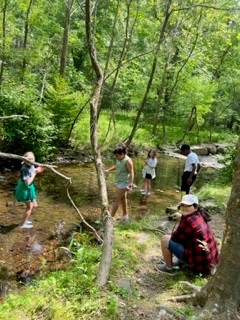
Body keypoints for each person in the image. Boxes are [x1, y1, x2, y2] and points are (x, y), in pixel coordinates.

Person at [156, 194, 219, 275]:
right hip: (209, 262)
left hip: (198, 266)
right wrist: (182, 216)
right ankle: (180, 262)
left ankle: (168, 268)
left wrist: (181, 220)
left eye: (188, 206)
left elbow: (175, 238)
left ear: (195, 207)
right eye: (182, 205)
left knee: (165, 239)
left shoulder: (188, 221)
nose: (184, 208)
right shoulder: (200, 215)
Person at [14, 151, 44, 228]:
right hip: (24, 190)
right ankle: (22, 224)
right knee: (29, 207)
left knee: (34, 205)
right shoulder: (24, 169)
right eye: (29, 159)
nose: (31, 160)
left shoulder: (31, 164)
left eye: (32, 159)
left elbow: (33, 170)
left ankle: (24, 219)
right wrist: (36, 172)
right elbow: (27, 182)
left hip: (30, 188)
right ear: (24, 160)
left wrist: (40, 168)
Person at [105, 145, 134, 222]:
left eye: (117, 156)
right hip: (119, 181)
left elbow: (131, 172)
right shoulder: (119, 158)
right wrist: (108, 170)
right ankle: (125, 215)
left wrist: (130, 184)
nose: (116, 157)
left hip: (124, 183)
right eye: (115, 156)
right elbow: (117, 166)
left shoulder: (128, 161)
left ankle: (110, 219)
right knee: (123, 199)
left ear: (123, 154)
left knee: (116, 199)